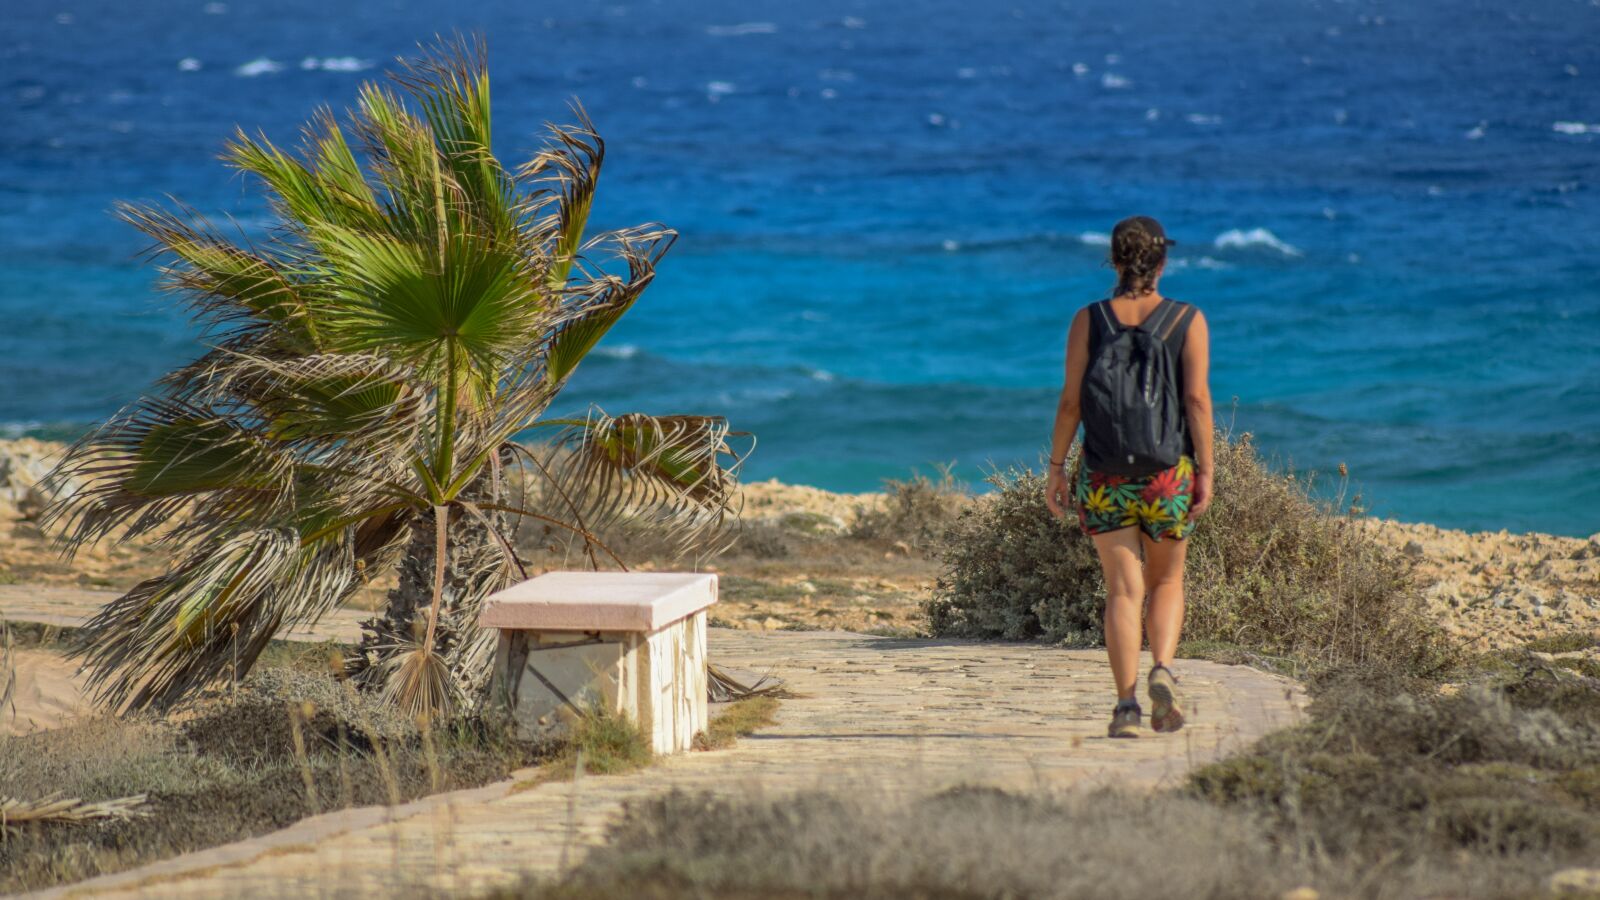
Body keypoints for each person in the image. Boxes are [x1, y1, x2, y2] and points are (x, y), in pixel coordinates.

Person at [1043, 215, 1214, 738]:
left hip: (1104, 473)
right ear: (1162, 261)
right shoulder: (1188, 319)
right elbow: (1196, 400)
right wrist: (1205, 468)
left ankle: (1126, 708)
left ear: (1114, 260)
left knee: (1122, 591)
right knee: (1166, 580)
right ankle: (1162, 666)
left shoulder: (1088, 319)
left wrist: (1056, 467)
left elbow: (1072, 401)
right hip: (1167, 474)